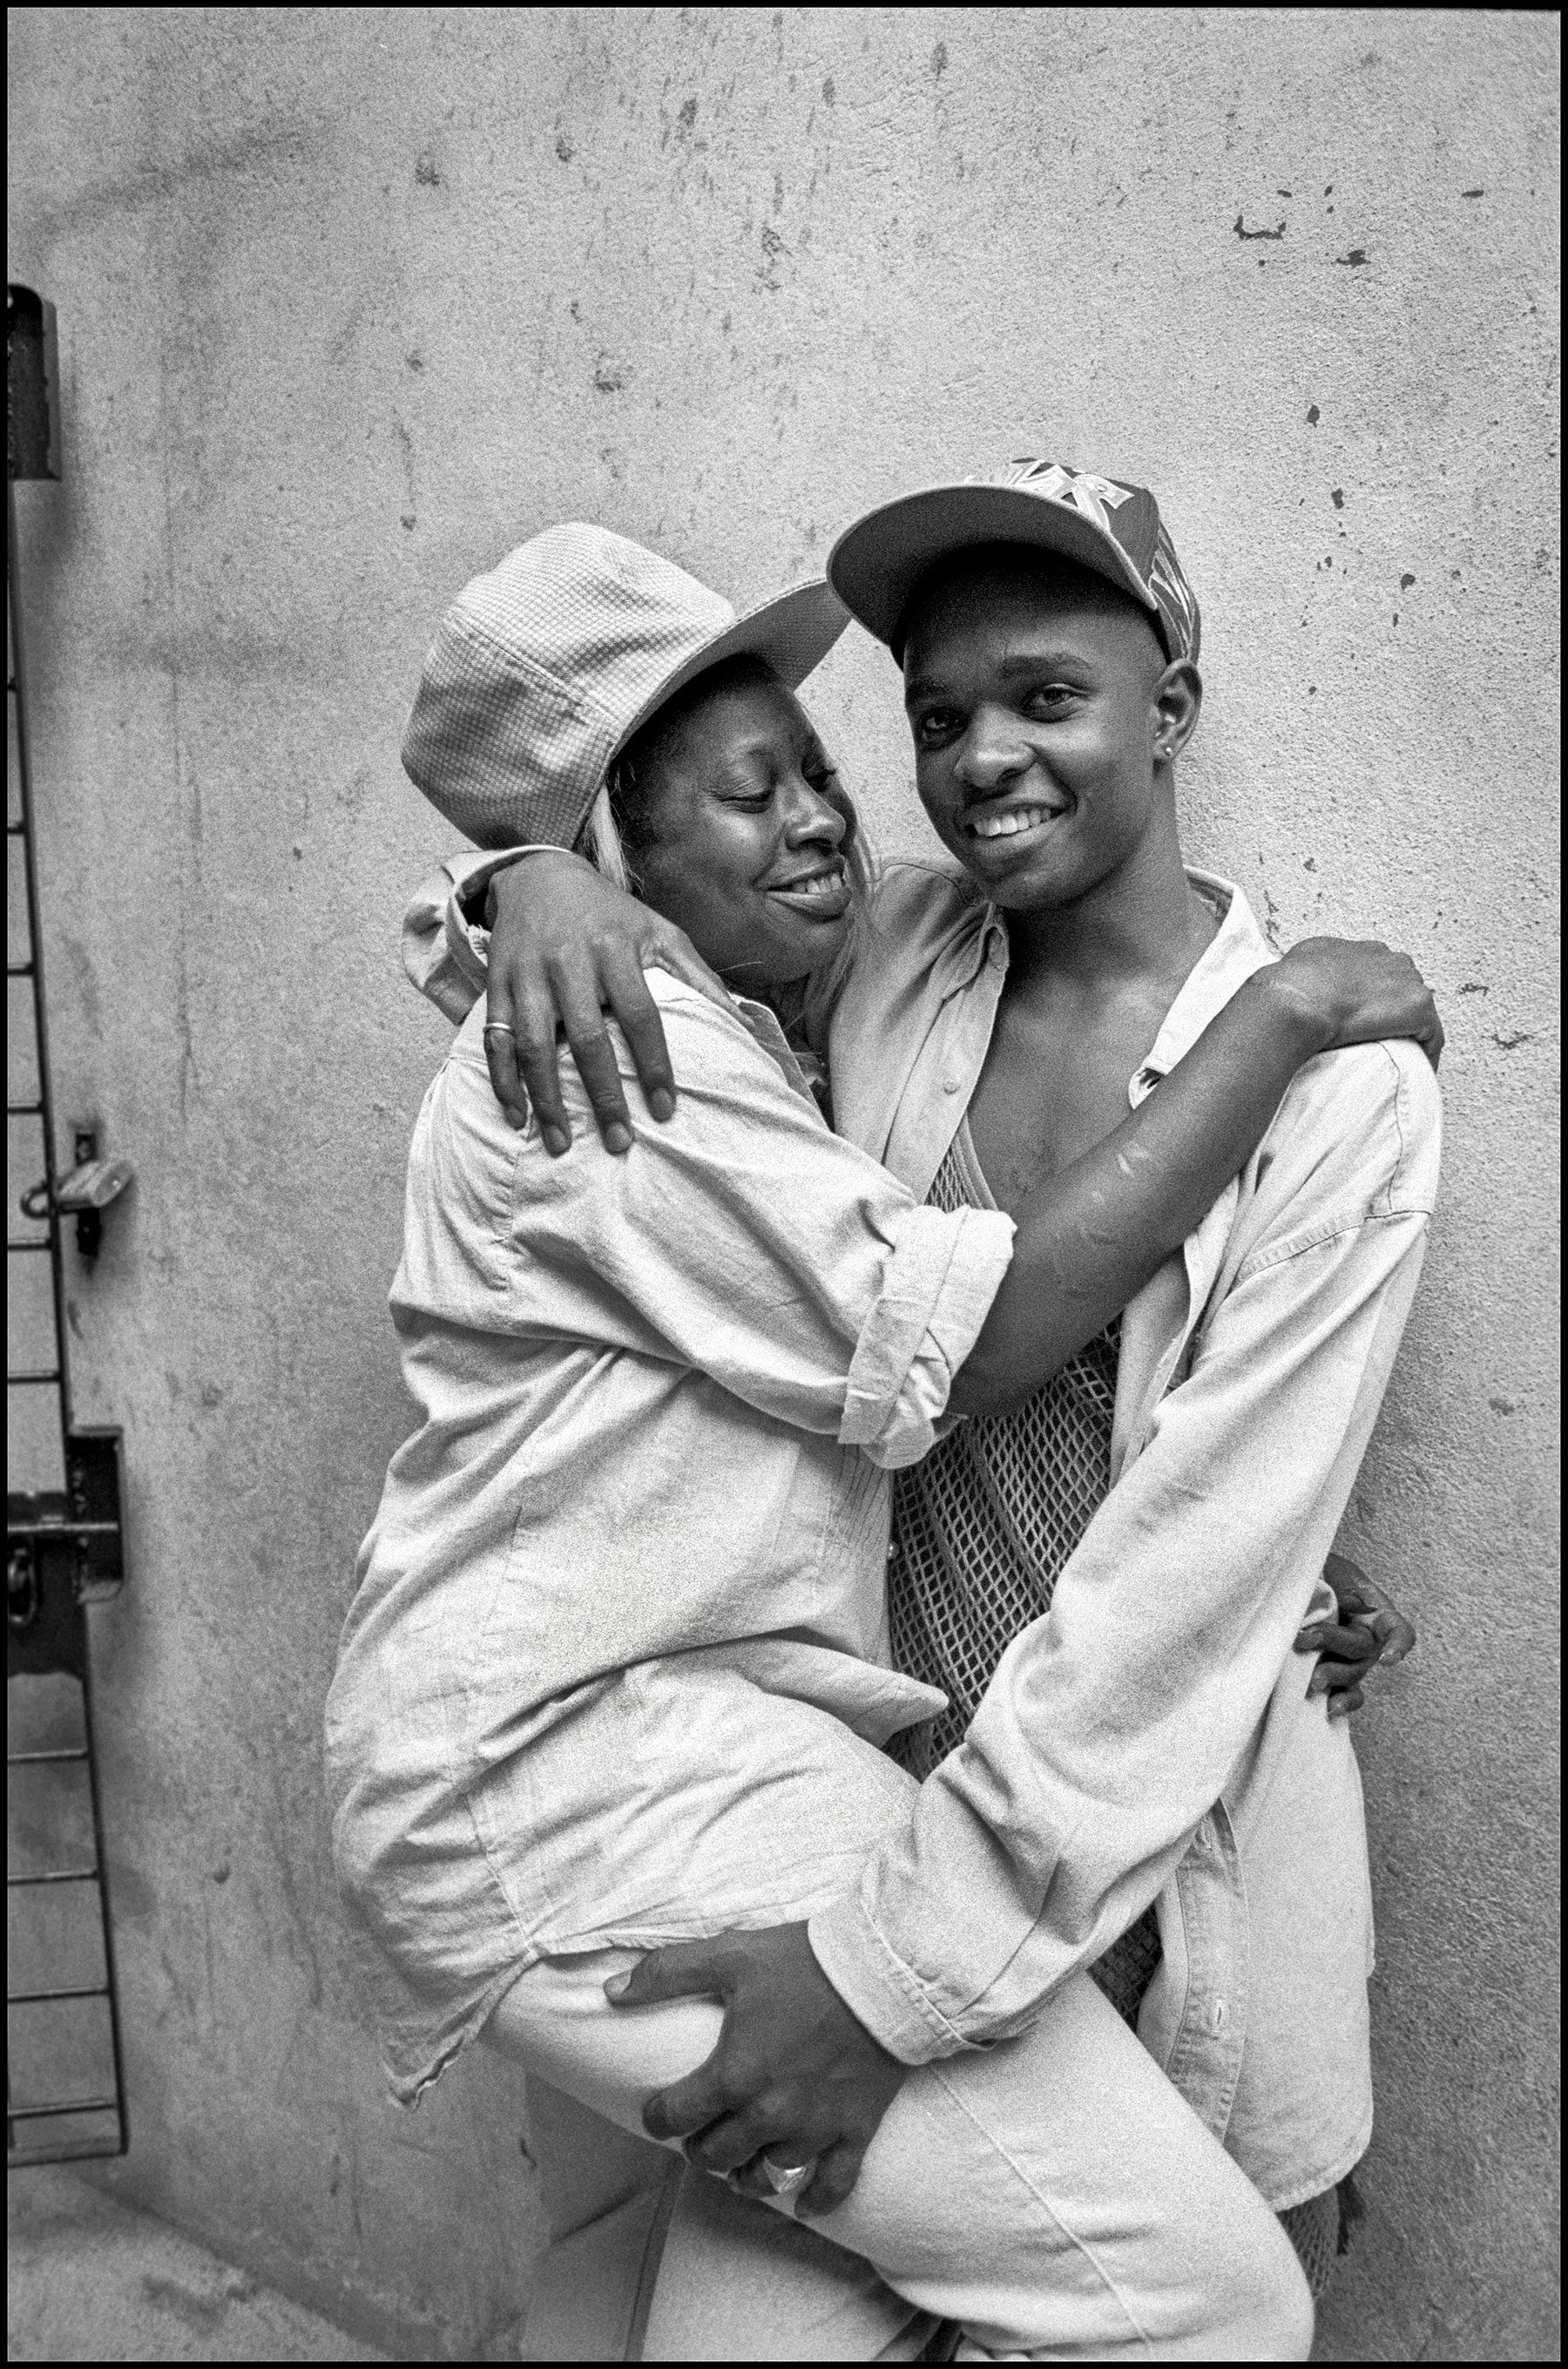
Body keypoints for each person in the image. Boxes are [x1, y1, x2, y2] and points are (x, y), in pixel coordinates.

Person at [360, 511, 1435, 2359]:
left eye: (1048, 697)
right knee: (1112, 2309)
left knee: (1181, 2271)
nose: (960, 770)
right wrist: (525, 880)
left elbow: (1190, 1527)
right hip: (779, 1824)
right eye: (940, 716)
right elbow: (964, 1328)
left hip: (1098, 1813)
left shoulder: (1339, 1106)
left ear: (1170, 702)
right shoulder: (857, 977)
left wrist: (1272, 1545)